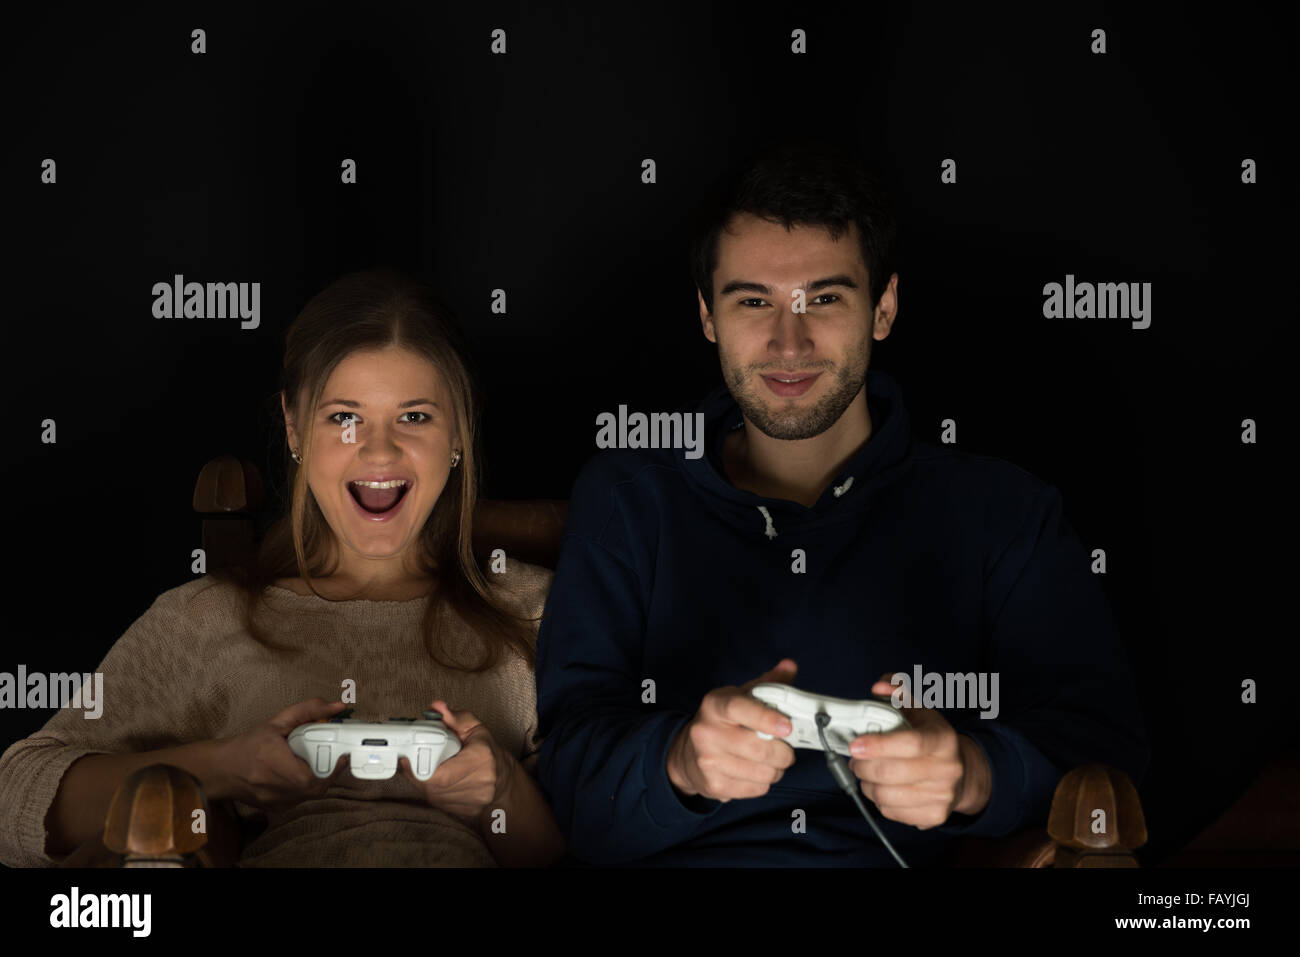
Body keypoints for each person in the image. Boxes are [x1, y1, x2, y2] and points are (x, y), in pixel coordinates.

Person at [535, 141, 1150, 866]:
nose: (787, 341)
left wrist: (974, 775)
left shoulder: (1004, 511)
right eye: (753, 300)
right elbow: (563, 775)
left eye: (823, 299)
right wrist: (681, 764)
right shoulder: (627, 499)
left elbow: (1110, 762)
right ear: (707, 314)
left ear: (883, 307)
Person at [0, 268, 565, 867]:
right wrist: (225, 769)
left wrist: (501, 792)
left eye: (415, 417)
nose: (379, 450)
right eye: (344, 417)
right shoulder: (206, 618)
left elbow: (597, 852)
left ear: (459, 430)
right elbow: (16, 794)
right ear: (295, 427)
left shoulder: (539, 614)